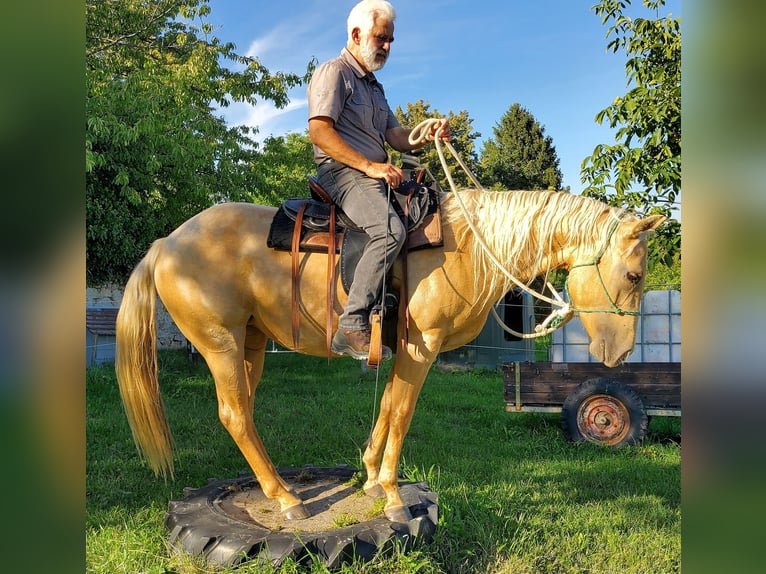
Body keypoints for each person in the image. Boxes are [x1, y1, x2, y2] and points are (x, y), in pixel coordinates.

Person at [307, 0, 450, 361]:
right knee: (389, 231)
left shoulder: (375, 88)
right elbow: (319, 132)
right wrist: (369, 167)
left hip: (373, 175)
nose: (387, 46)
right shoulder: (333, 73)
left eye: (390, 40)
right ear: (356, 34)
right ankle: (351, 324)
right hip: (343, 173)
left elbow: (396, 137)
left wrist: (426, 133)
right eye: (381, 38)